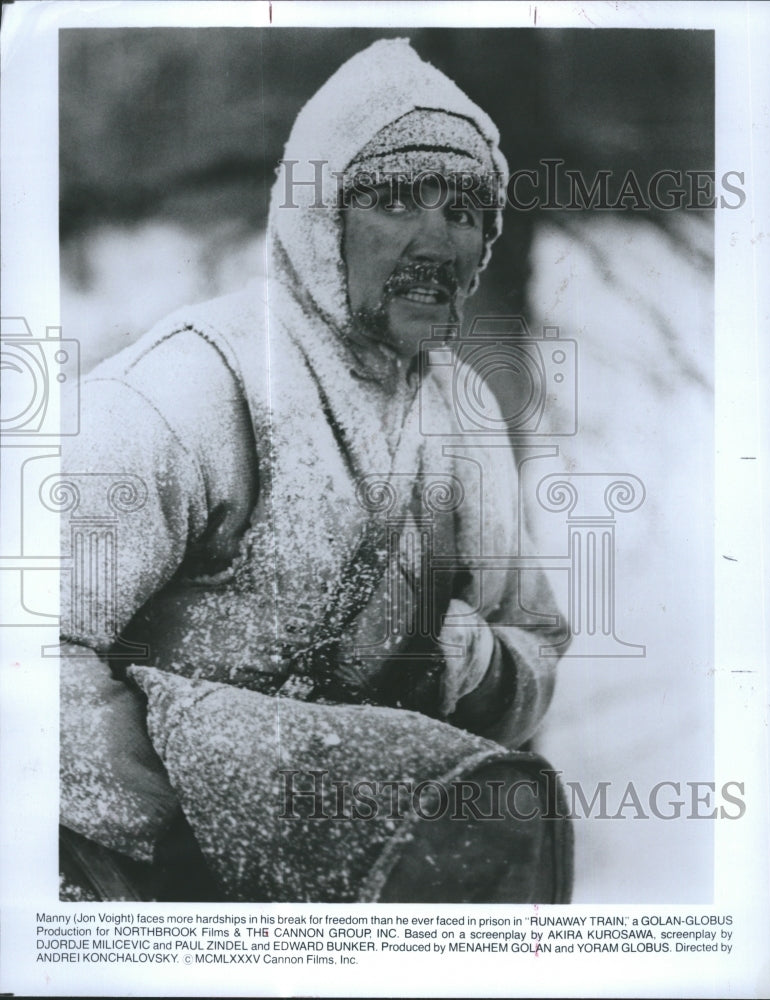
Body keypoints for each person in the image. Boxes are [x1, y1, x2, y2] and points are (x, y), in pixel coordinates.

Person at [59, 38, 571, 903]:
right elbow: (32, 643)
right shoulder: (192, 386)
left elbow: (535, 642)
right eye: (398, 201)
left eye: (462, 212)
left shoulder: (466, 415)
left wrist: (473, 668)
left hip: (358, 875)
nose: (433, 241)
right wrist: (170, 852)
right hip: (145, 875)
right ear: (321, 217)